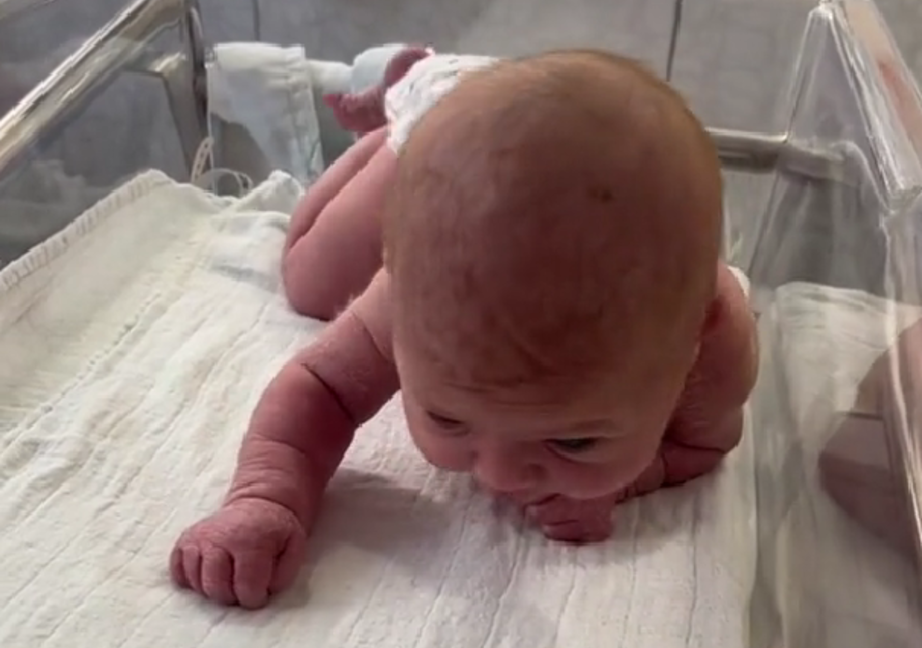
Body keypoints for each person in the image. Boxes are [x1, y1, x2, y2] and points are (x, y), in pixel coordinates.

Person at [171, 50, 759, 609]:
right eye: (448, 417)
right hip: (441, 111)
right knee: (307, 280)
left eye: (574, 441)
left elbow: (705, 445)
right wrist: (267, 493)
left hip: (514, 145)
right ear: (397, 286)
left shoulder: (716, 345)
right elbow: (320, 386)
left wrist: (634, 480)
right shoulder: (418, 300)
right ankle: (391, 132)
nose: (498, 474)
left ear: (690, 342)